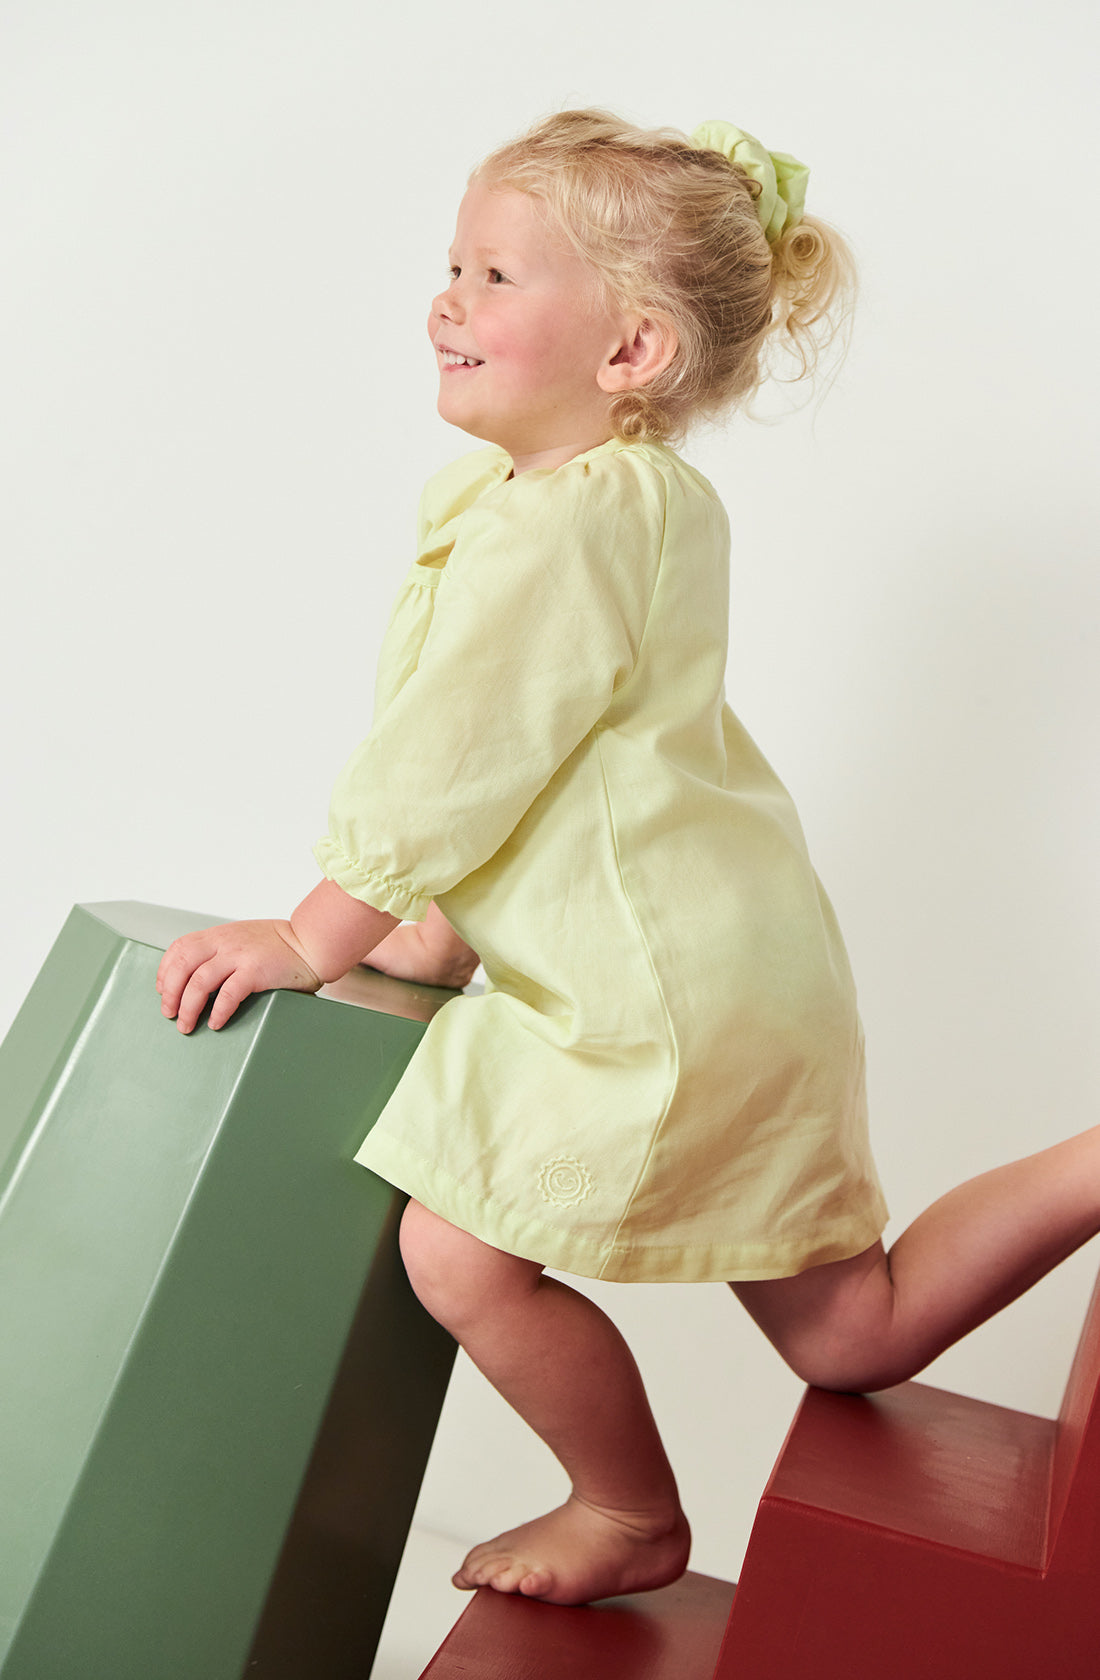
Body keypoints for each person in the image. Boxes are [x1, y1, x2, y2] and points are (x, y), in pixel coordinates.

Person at [156, 110, 1100, 1608]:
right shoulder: (566, 502)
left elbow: (464, 750)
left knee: (458, 1256)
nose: (447, 301)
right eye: (451, 263)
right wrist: (445, 939)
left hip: (657, 1000)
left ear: (632, 355)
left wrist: (320, 930)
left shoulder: (577, 522)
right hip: (729, 967)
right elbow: (566, 761)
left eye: (497, 276)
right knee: (852, 1329)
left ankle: (628, 1509)